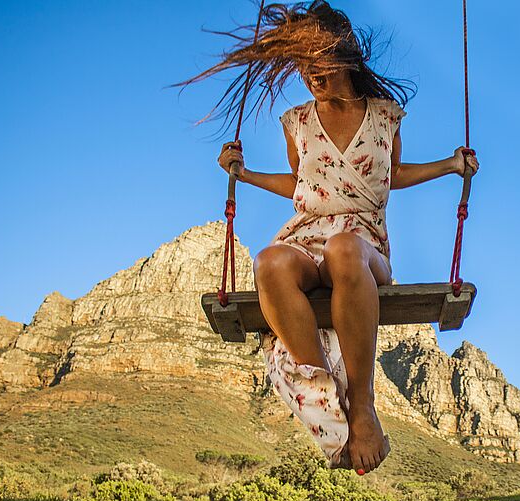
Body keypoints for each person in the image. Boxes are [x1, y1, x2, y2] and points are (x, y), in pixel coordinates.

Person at [177, 1, 479, 474]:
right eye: (301, 64)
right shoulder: (296, 122)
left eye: (318, 60)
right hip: (307, 233)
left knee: (343, 249)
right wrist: (245, 173)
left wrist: (449, 166)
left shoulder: (384, 115)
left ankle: (362, 407)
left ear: (345, 55)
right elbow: (301, 185)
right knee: (270, 261)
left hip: (362, 242)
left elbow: (390, 174)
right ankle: (330, 405)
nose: (310, 73)